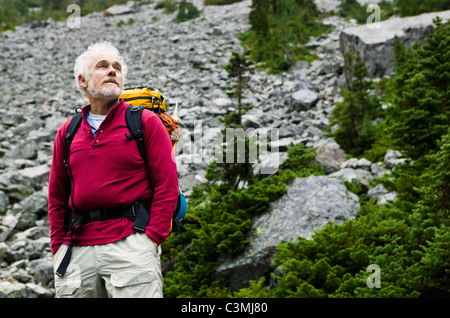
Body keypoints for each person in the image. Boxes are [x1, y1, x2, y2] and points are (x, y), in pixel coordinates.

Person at [48, 41, 179, 298]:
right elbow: (57, 195)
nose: (112, 71)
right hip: (76, 249)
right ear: (83, 80)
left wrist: (151, 238)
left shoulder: (143, 121)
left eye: (117, 67)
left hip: (130, 243)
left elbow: (167, 184)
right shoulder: (68, 132)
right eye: (103, 66)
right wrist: (58, 246)